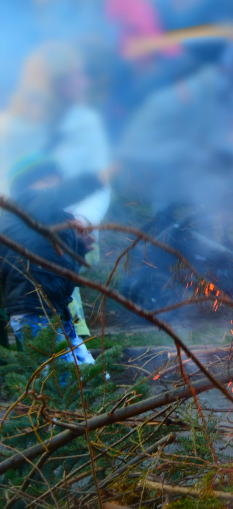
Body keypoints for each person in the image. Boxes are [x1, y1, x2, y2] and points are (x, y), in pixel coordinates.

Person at [0, 41, 113, 358]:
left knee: (60, 304)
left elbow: (98, 184)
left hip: (69, 234)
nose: (84, 82)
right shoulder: (9, 127)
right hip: (22, 240)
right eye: (74, 76)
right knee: (34, 304)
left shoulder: (85, 123)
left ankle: (75, 369)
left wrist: (82, 224)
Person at [0, 155, 102, 366]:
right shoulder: (24, 204)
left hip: (56, 311)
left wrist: (79, 248)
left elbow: (61, 267)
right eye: (47, 180)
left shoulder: (52, 218)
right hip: (34, 312)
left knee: (89, 378)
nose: (55, 186)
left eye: (57, 180)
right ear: (25, 186)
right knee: (63, 381)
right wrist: (100, 176)